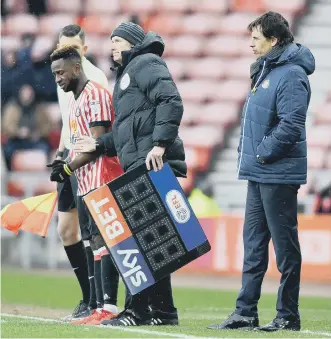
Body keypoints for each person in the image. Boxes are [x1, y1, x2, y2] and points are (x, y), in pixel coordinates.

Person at [72, 22, 186, 326]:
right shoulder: (128, 75)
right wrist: (98, 144)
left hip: (152, 164)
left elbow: (171, 100)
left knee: (139, 240)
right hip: (140, 163)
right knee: (153, 244)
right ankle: (163, 312)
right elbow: (126, 135)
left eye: (119, 41)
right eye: (111, 41)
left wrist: (160, 144)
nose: (112, 46)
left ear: (134, 44)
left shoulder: (145, 63)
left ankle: (137, 312)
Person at [208, 12, 315, 332]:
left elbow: (291, 124)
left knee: (285, 247)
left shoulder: (292, 74)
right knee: (253, 245)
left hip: (278, 173)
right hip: (260, 171)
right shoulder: (268, 70)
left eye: (256, 38)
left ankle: (288, 314)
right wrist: (255, 157)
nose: (251, 44)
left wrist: (262, 152)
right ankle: (245, 312)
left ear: (275, 40)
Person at [49, 45, 124, 324]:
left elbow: (97, 144)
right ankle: (96, 307)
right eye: (54, 74)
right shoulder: (74, 100)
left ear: (77, 68)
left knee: (104, 241)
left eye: (61, 72)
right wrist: (63, 162)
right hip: (84, 180)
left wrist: (67, 167)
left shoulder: (94, 96)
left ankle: (109, 307)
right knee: (92, 242)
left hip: (103, 178)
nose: (58, 78)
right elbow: (80, 143)